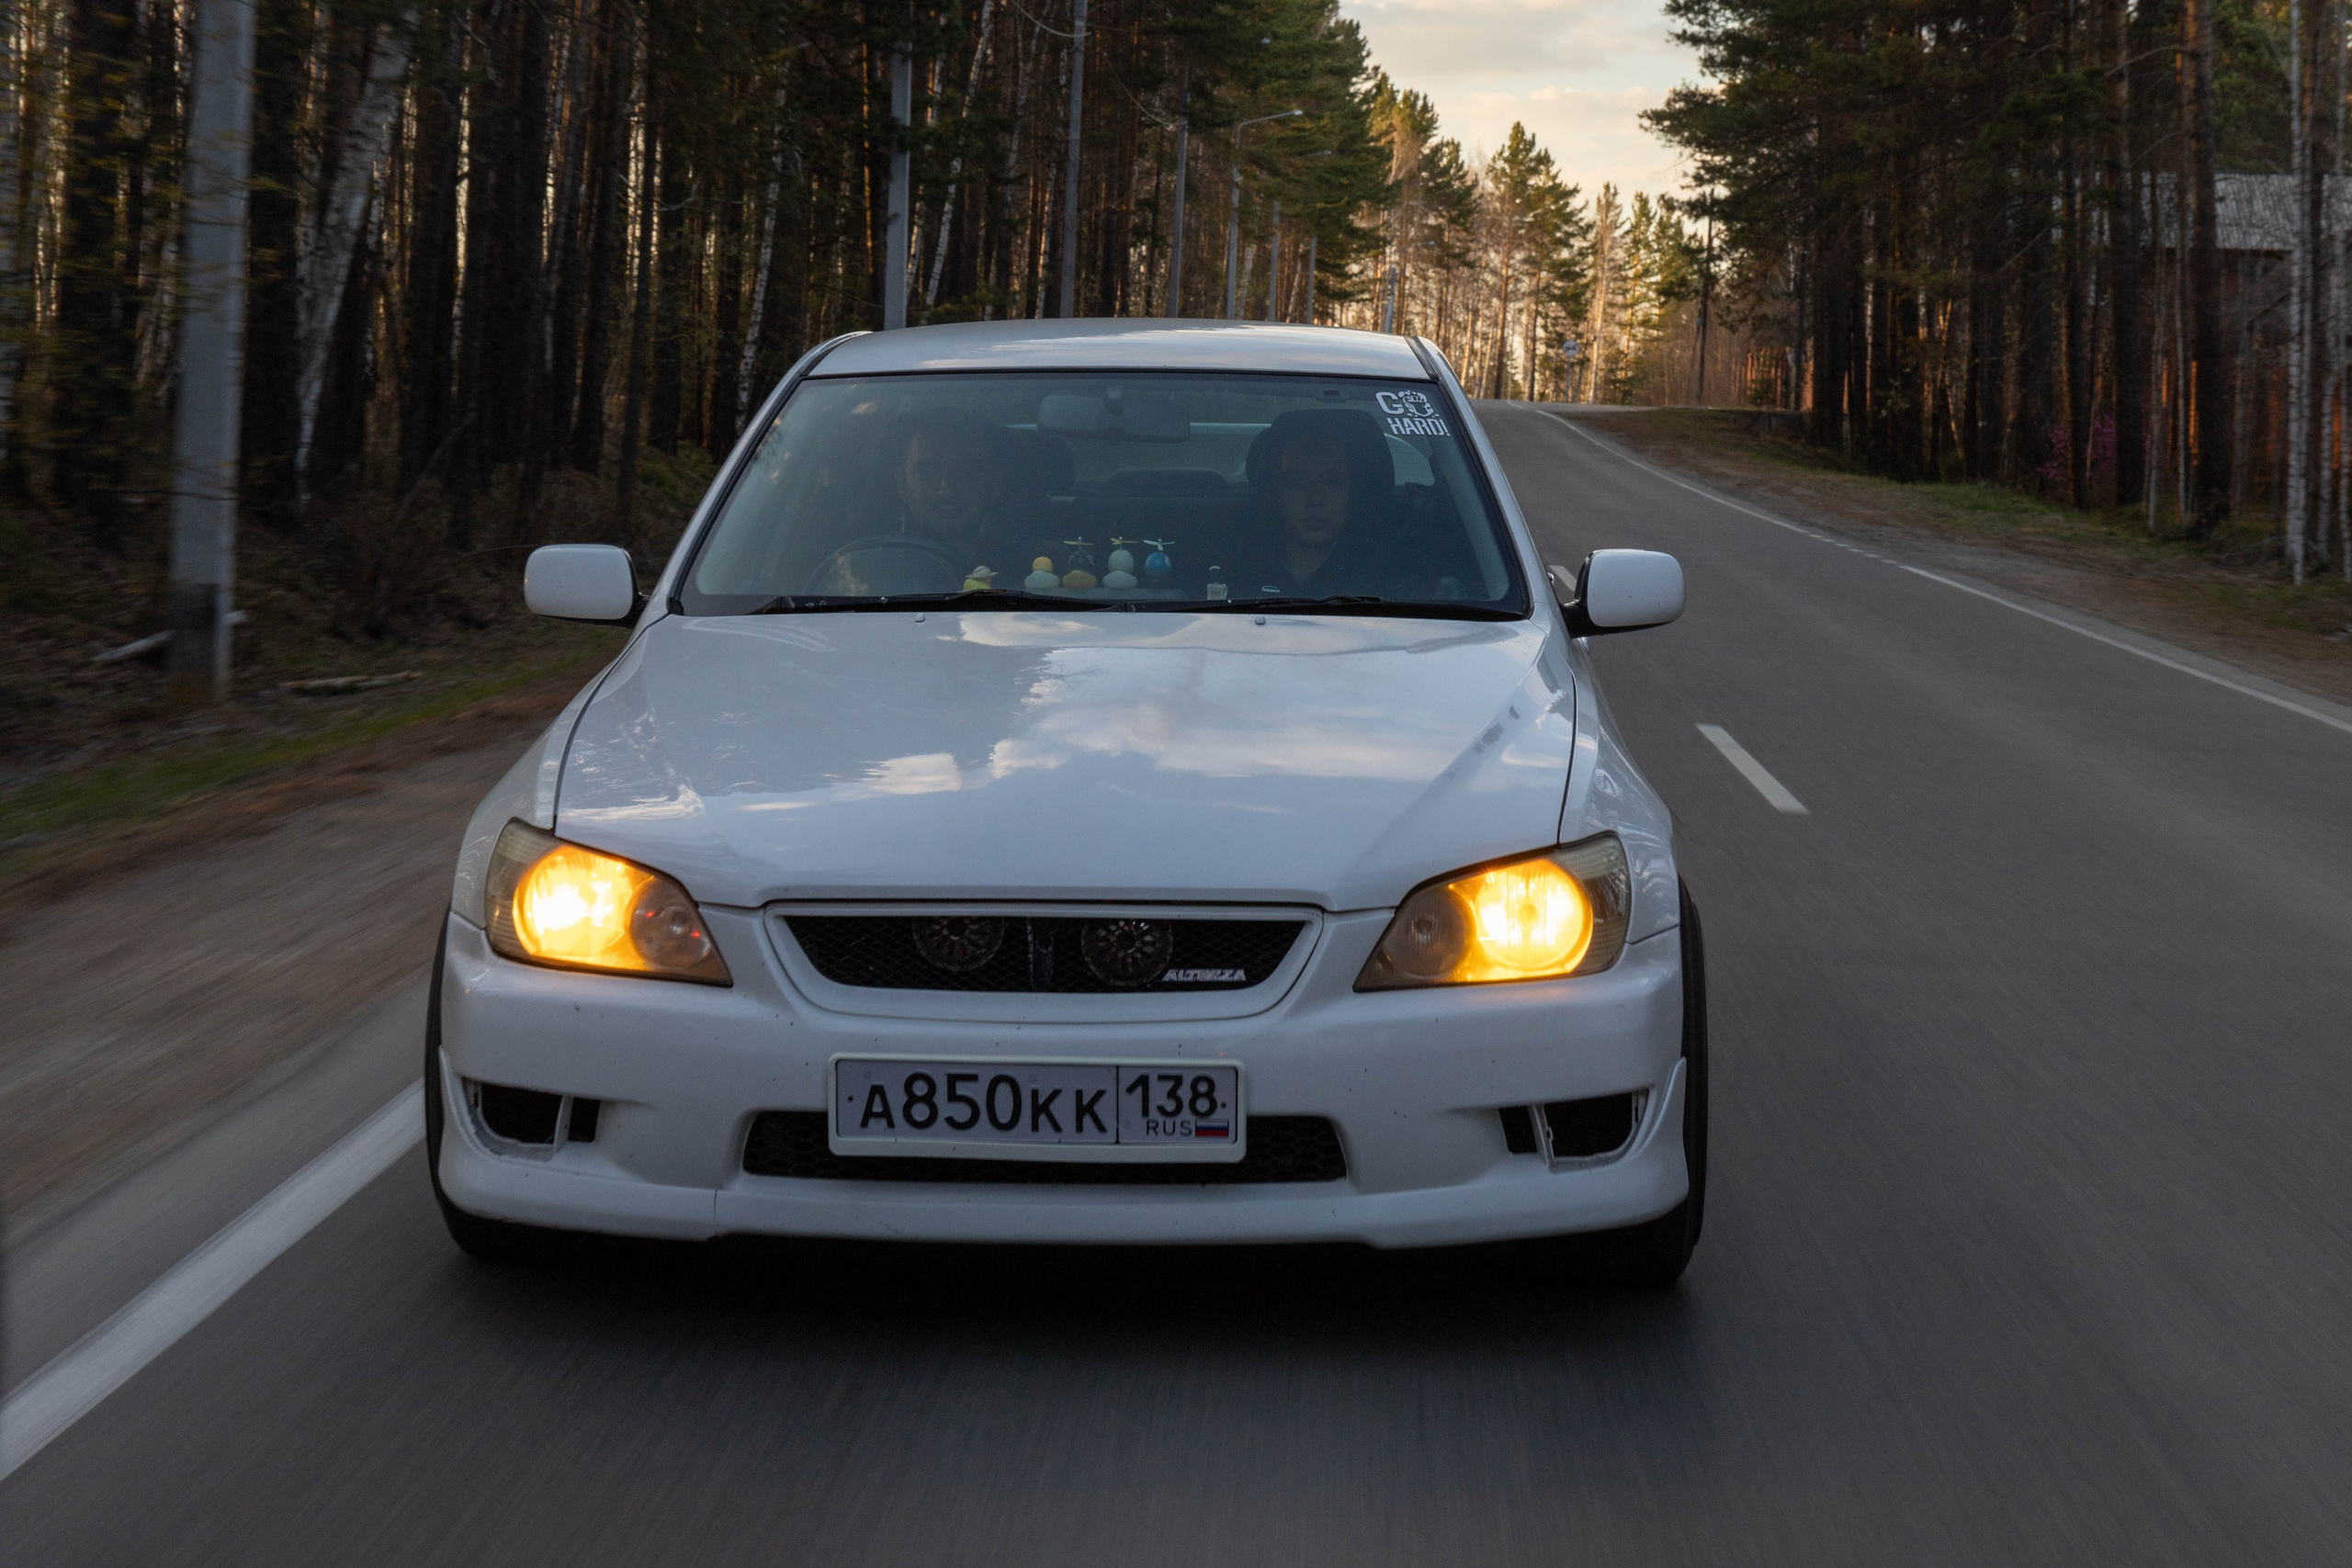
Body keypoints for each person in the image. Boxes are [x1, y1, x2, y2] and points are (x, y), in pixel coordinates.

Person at [1240, 408, 1470, 600]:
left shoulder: (1399, 583)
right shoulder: (1235, 572)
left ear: (1353, 493)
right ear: (1273, 494)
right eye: (1297, 482)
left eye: (1331, 482)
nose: (1315, 498)